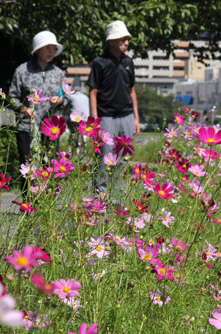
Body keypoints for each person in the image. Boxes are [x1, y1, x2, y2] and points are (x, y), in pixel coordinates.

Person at [87, 20, 140, 200]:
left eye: (127, 39)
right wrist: (95, 121)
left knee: (123, 158)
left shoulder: (129, 62)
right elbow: (93, 92)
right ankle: (99, 198)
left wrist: (136, 118)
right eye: (122, 39)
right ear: (111, 41)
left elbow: (132, 90)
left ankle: (116, 199)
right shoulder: (99, 63)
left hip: (126, 114)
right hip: (106, 116)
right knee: (105, 157)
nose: (126, 42)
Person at [8, 31, 66, 171]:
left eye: (54, 48)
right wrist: (23, 109)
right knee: (28, 168)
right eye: (48, 47)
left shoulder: (58, 73)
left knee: (50, 168)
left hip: (51, 128)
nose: (51, 51)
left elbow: (65, 96)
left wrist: (59, 100)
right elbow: (11, 97)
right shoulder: (22, 70)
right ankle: (27, 194)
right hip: (27, 127)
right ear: (38, 50)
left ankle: (49, 194)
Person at [65, 82, 90, 156]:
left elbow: (66, 106)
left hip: (74, 119)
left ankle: (73, 136)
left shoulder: (72, 97)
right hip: (85, 118)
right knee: (83, 129)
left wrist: (64, 113)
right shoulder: (86, 97)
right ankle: (84, 140)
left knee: (71, 127)